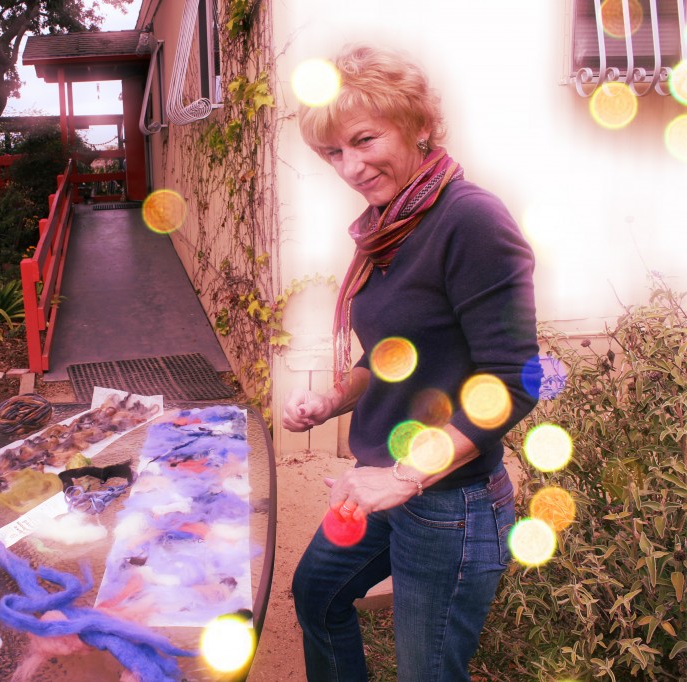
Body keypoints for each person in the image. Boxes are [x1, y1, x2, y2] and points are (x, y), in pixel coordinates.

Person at [283, 44, 541, 681]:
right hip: (383, 483)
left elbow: (516, 380)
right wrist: (334, 399)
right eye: (333, 152)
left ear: (419, 124)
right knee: (316, 595)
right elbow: (391, 352)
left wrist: (404, 476)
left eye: (364, 140)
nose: (350, 166)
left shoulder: (470, 221)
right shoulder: (391, 224)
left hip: (449, 502)